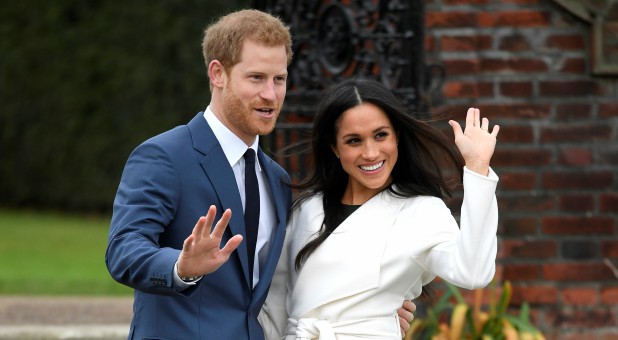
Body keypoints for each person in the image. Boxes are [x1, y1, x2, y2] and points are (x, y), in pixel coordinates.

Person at [106, 10, 414, 340]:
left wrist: (367, 309)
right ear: (217, 74)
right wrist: (180, 267)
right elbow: (124, 250)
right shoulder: (165, 156)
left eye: (278, 79)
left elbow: (281, 287)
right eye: (256, 78)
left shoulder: (277, 179)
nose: (270, 94)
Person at [259, 78, 500, 339]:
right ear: (334, 148)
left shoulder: (421, 212)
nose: (371, 153)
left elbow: (473, 272)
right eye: (354, 141)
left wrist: (477, 168)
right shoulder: (305, 210)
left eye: (380, 135)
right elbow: (273, 304)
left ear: (396, 135)